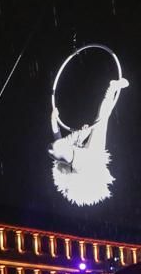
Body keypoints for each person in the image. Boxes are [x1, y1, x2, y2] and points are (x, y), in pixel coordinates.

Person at [48, 77, 128, 206]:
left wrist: (53, 120)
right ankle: (113, 88)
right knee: (102, 120)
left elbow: (57, 145)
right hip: (91, 165)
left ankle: (113, 87)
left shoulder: (70, 159)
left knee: (55, 148)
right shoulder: (88, 166)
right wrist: (81, 135)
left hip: (84, 164)